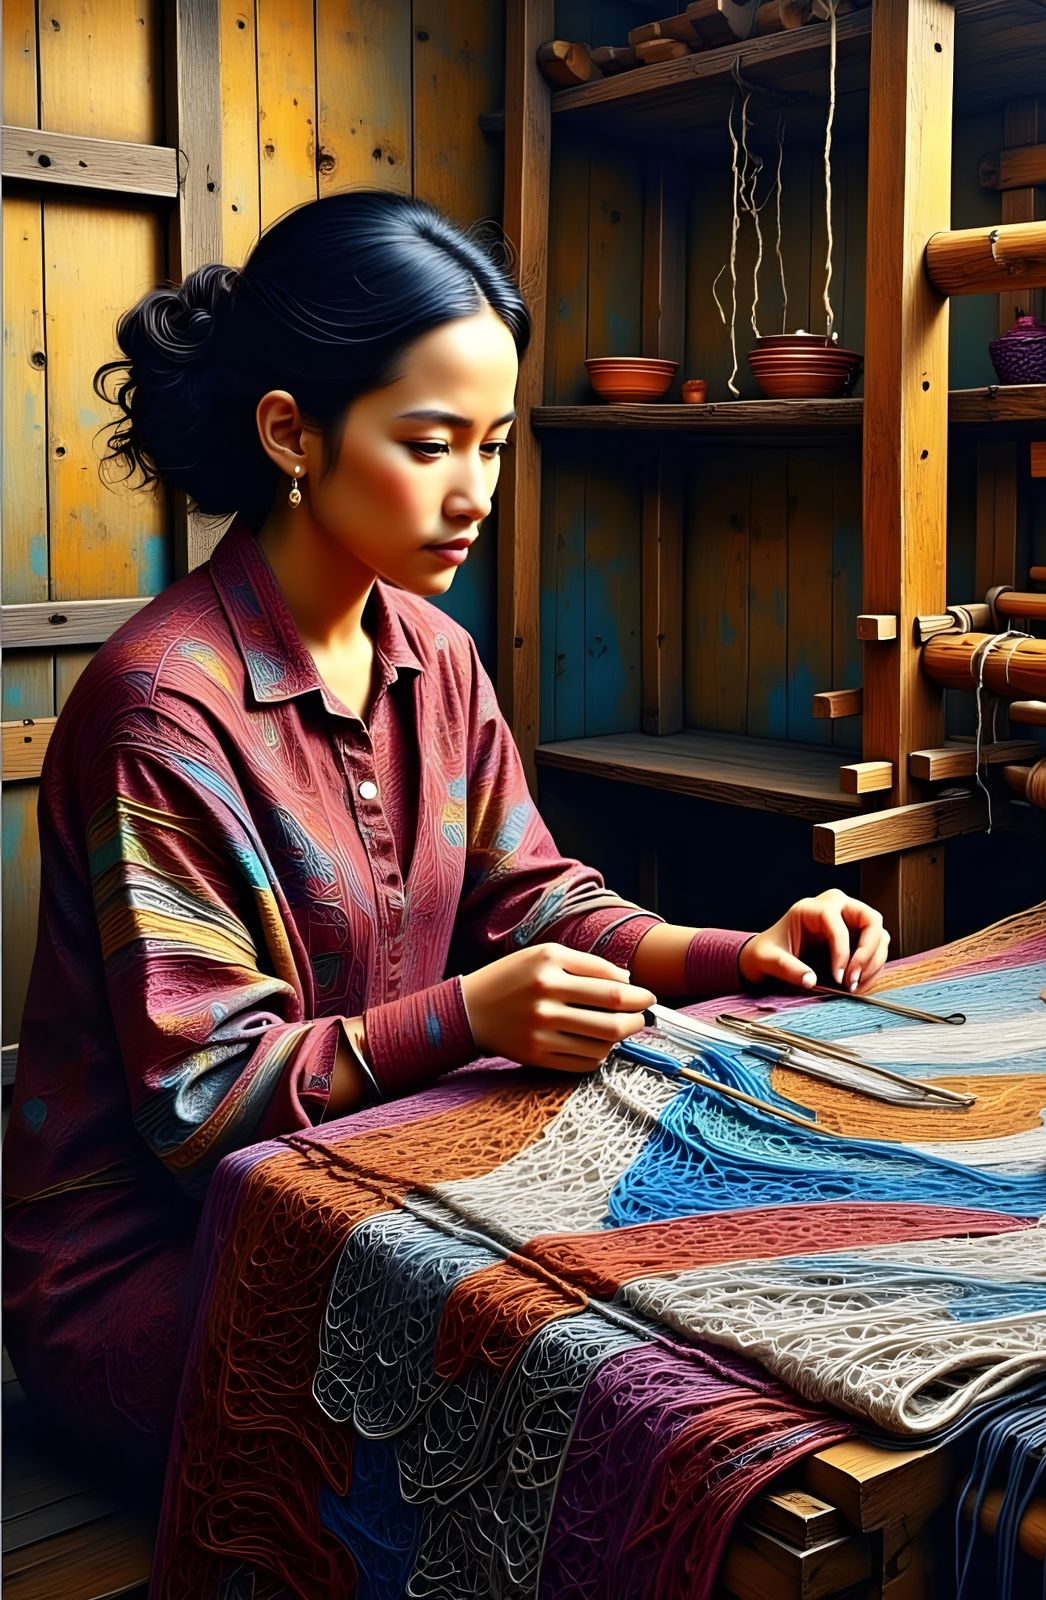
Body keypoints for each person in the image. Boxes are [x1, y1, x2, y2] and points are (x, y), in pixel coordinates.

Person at [1, 191, 890, 1487]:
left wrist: (735, 954)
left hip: (376, 1190)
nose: (474, 492)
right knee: (603, 1400)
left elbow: (531, 899)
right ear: (292, 434)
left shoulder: (433, 653)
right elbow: (201, 1109)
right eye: (431, 444)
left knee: (728, 1301)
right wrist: (469, 1019)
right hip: (154, 1276)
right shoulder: (161, 709)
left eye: (492, 443)